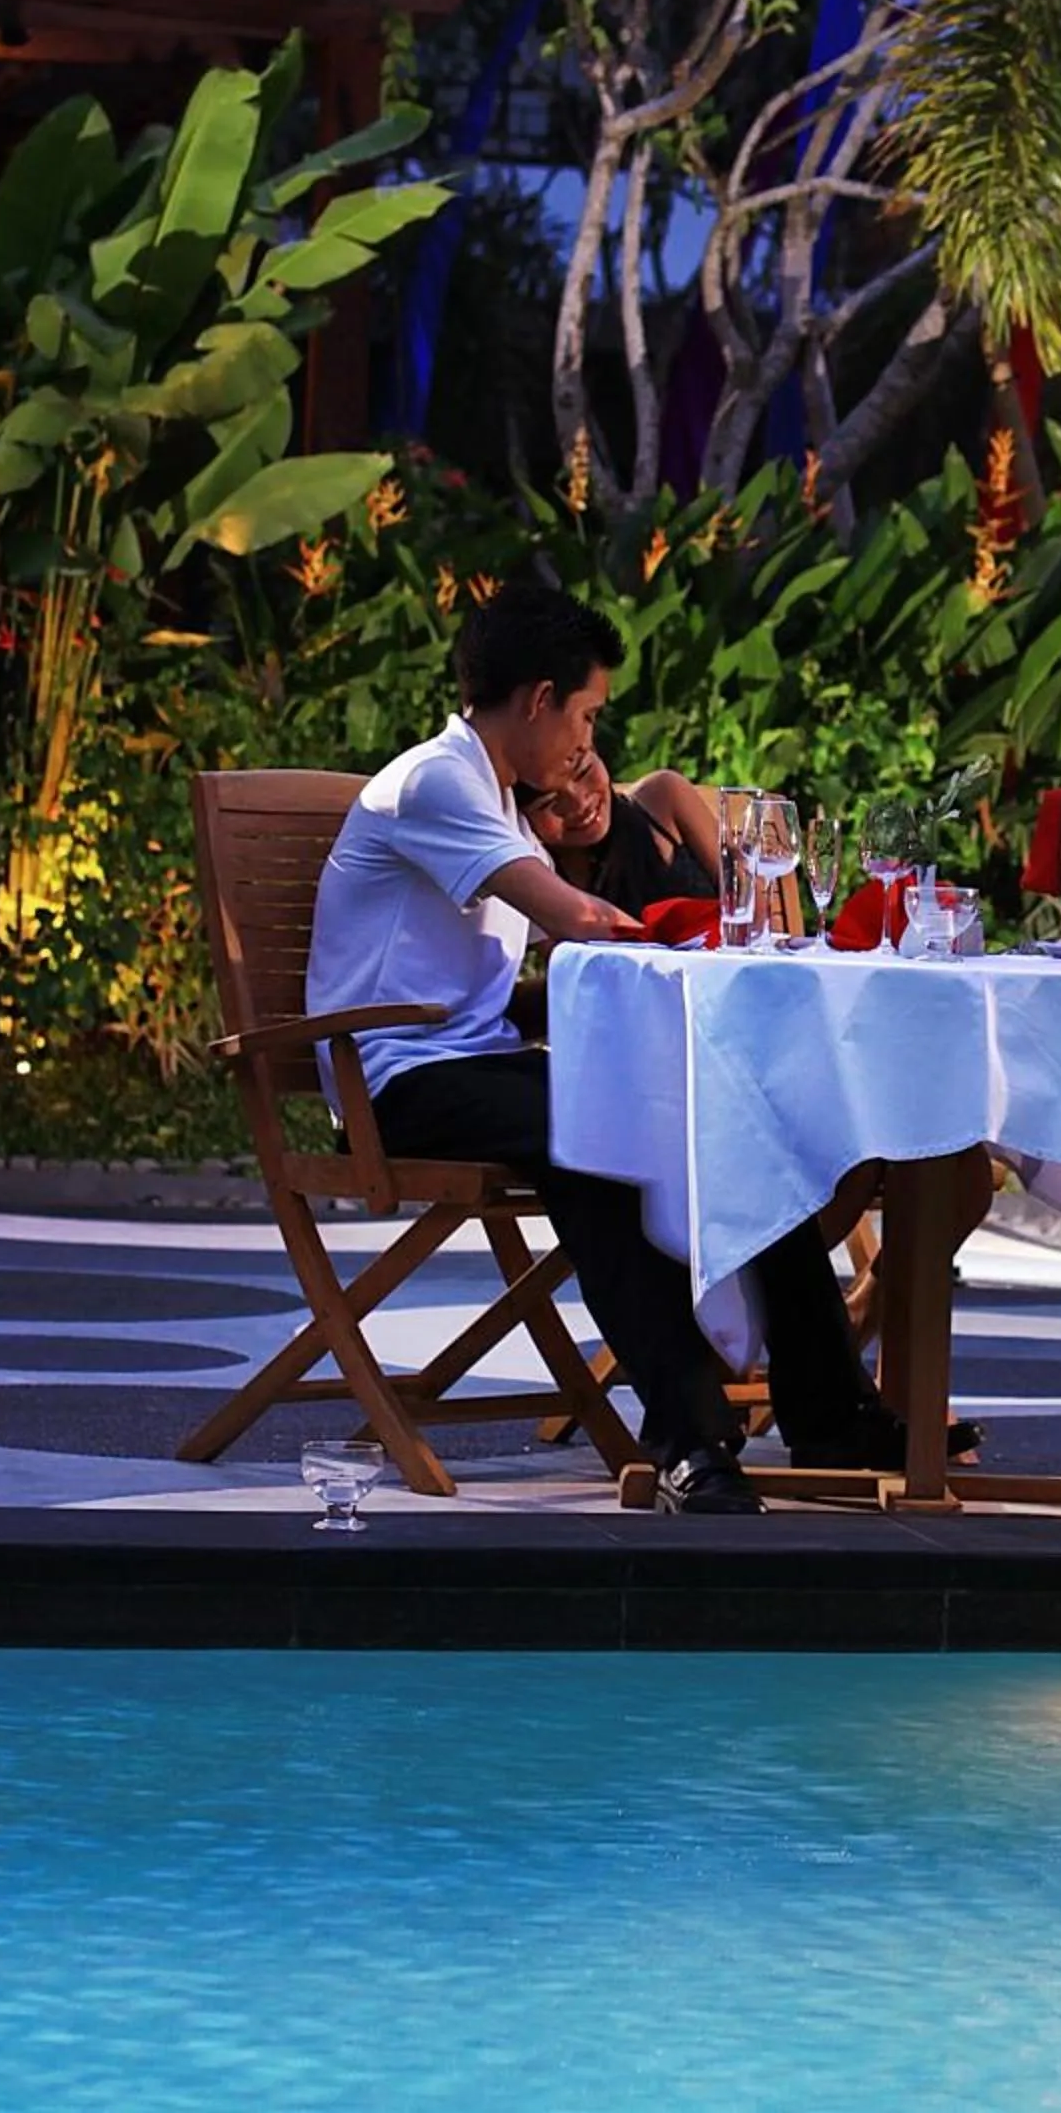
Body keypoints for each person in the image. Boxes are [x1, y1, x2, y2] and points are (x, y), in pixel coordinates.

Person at [304, 578, 906, 1516]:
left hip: (477, 1059)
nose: (589, 742)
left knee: (732, 1112)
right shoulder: (438, 780)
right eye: (584, 714)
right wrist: (692, 944)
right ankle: (689, 1440)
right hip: (394, 1079)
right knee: (596, 1142)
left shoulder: (499, 800)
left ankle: (832, 1413)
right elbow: (572, 920)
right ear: (539, 699)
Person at [524, 754, 718, 919]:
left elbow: (744, 893)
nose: (579, 804)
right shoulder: (530, 870)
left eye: (583, 772)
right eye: (548, 802)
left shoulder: (663, 798)